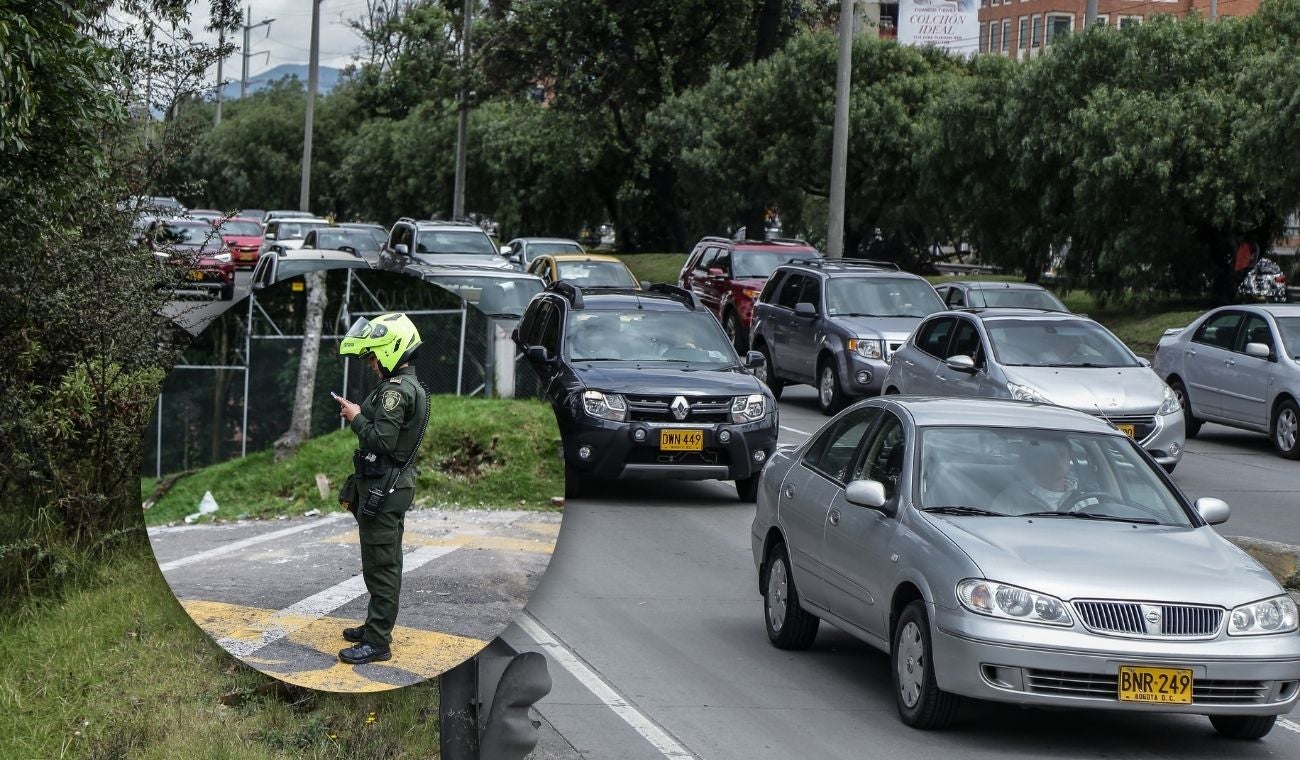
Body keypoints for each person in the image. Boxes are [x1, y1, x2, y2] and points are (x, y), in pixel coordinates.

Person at [332, 312, 429, 665]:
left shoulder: (395, 392)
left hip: (385, 486)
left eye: (373, 356)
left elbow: (383, 441)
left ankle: (377, 642)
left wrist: (356, 416)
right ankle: (376, 626)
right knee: (382, 562)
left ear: (391, 351)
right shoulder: (405, 386)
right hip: (389, 485)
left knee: (381, 565)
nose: (371, 364)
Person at [992, 437, 1078, 514]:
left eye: (1062, 455)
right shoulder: (1011, 498)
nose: (1058, 462)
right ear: (1036, 461)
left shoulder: (1084, 499)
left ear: (1069, 459)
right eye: (1050, 456)